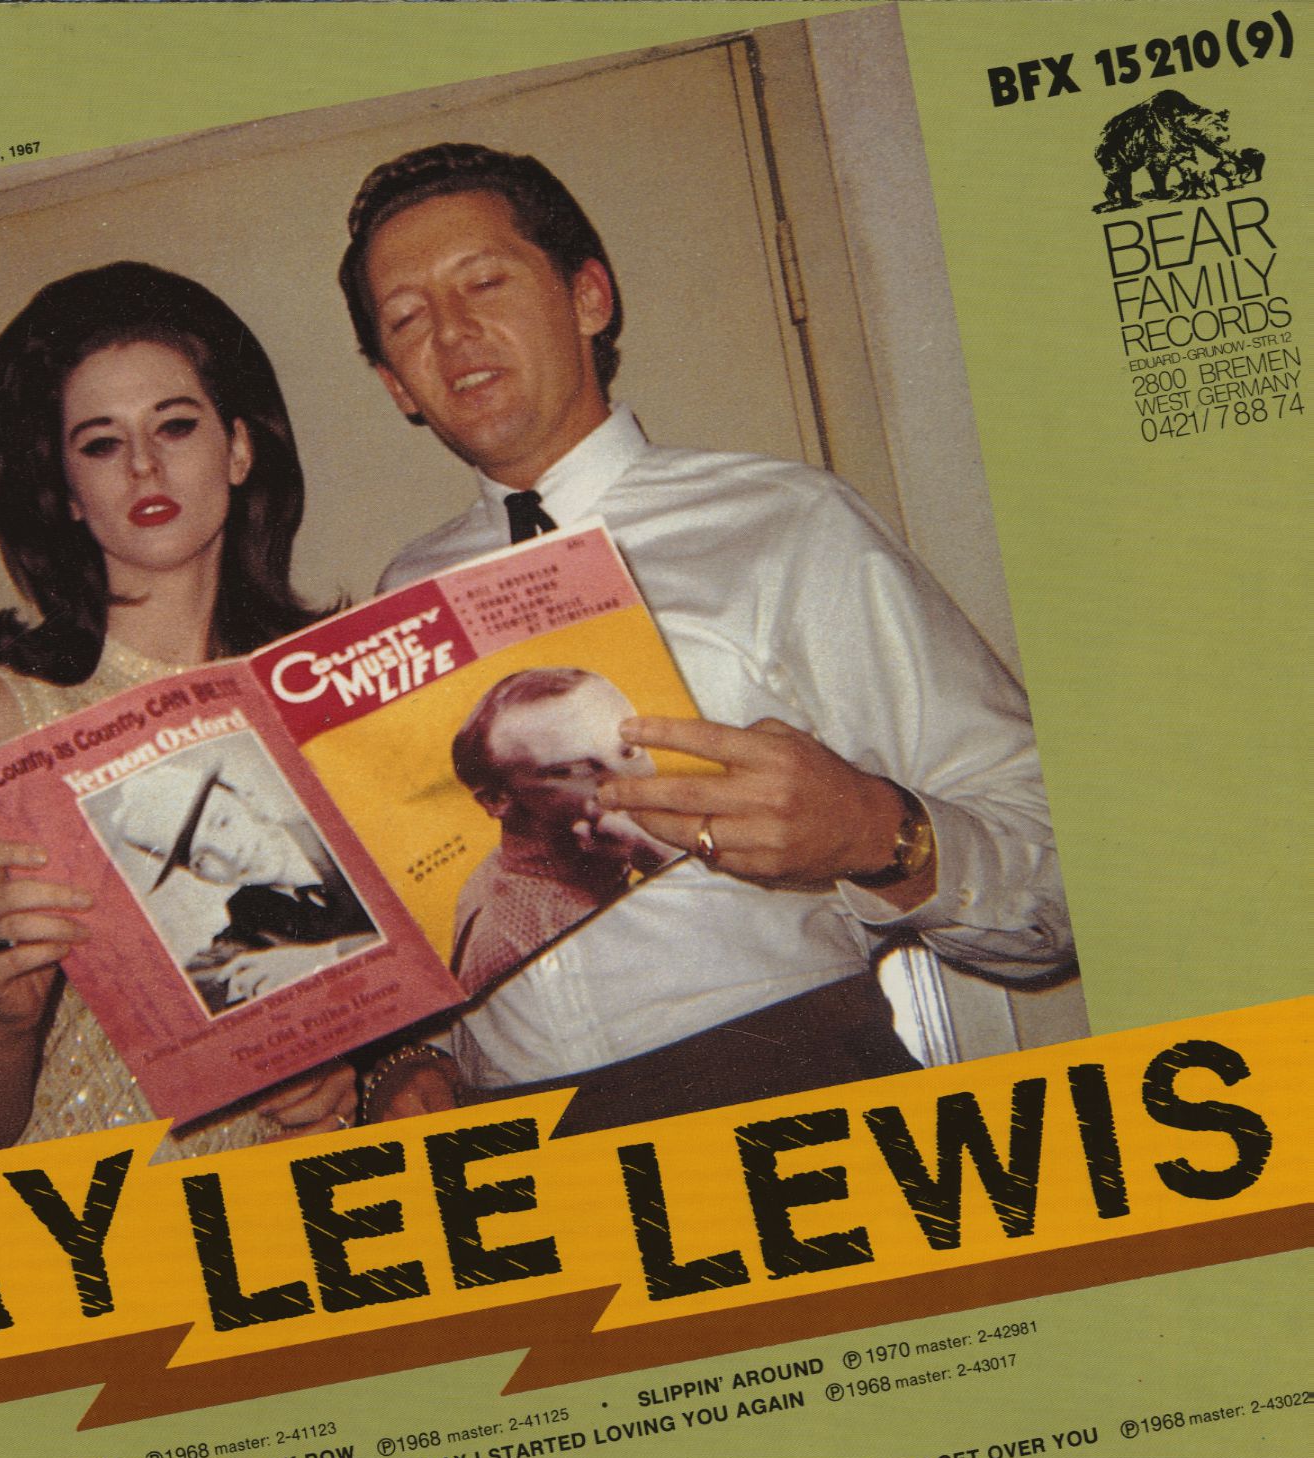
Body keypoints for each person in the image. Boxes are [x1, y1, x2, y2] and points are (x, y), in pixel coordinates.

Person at [338, 144, 1073, 1131]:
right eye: (406, 318)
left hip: (791, 1081)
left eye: (484, 281)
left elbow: (1057, 881)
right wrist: (412, 1055)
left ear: (587, 296)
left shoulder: (787, 523)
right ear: (394, 383)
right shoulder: (399, 600)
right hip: (518, 1137)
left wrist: (872, 831)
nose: (453, 332)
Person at [0, 262, 358, 1157]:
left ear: (239, 450)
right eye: (99, 443)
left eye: (175, 425)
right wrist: (6, 1023)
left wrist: (343, 1076)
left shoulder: (315, 689)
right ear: (65, 492)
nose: (144, 465)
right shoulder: (6, 716)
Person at [448, 667, 673, 993]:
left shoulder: (511, 867)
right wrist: (672, 867)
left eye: (629, 751)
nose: (629, 784)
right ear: (497, 800)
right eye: (573, 771)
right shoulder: (535, 939)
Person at [109, 748, 377, 1011]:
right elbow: (199, 981)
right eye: (201, 859)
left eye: (222, 822)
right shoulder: (249, 910)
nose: (229, 854)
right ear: (199, 876)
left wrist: (326, 957)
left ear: (249, 801)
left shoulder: (349, 829)